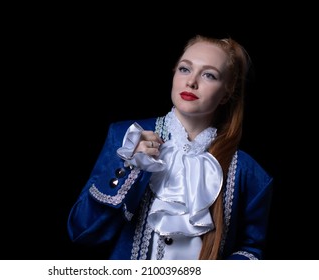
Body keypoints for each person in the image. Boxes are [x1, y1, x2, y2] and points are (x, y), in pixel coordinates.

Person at [67, 34, 273, 260]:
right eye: (185, 69)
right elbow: (81, 231)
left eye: (209, 75)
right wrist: (128, 166)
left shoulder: (248, 172)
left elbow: (250, 251)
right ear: (174, 72)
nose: (191, 82)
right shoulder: (127, 137)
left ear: (227, 93)